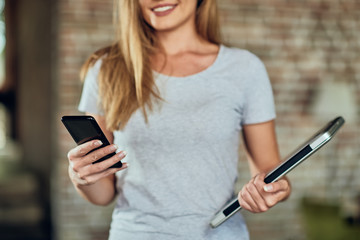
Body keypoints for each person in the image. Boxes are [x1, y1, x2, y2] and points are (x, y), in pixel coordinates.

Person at [66, 0, 291, 239]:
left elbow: (272, 172)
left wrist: (274, 189)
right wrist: (81, 178)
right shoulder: (107, 69)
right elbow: (103, 194)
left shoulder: (245, 69)